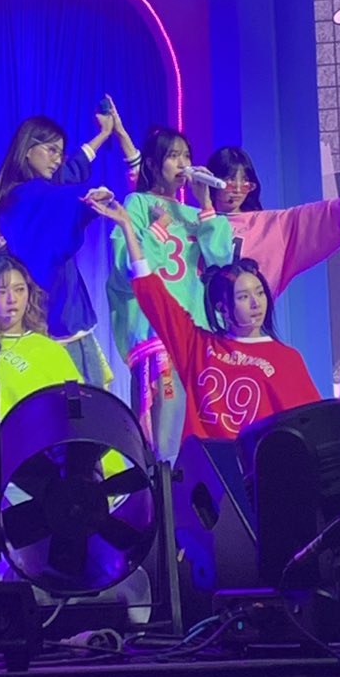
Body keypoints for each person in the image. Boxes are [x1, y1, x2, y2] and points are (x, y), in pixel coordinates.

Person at [89, 193, 320, 440]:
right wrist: (126, 225)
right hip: (204, 462)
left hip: (256, 463)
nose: (256, 303)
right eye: (243, 296)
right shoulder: (198, 346)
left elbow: (314, 428)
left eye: (260, 292)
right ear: (223, 307)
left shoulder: (287, 359)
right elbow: (152, 293)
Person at [0, 99, 139, 386]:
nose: (58, 160)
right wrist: (88, 201)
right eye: (51, 150)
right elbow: (62, 201)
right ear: (27, 150)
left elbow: (71, 171)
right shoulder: (25, 197)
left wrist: (104, 134)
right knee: (76, 402)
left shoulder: (38, 191)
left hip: (57, 317)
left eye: (61, 153)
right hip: (55, 318)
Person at [104, 126, 236, 458]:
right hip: (158, 334)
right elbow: (128, 267)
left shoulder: (195, 214)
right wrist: (159, 228)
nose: (182, 163)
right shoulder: (137, 203)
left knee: (202, 431)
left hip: (196, 334)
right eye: (173, 156)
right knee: (165, 440)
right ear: (152, 163)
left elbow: (222, 260)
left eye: (186, 155)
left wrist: (206, 204)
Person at [208, 143, 340, 296]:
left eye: (245, 184)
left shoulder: (267, 226)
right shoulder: (197, 222)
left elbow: (312, 218)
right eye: (230, 181)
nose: (237, 190)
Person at [0, 251, 82, 418]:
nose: (12, 299)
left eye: (19, 290)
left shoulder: (52, 351)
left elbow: (79, 410)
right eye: (0, 292)